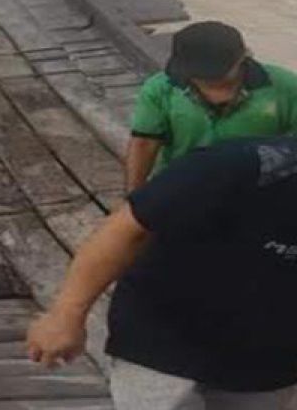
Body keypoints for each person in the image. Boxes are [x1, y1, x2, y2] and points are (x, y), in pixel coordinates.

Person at [26, 136, 297, 409]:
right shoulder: (246, 164)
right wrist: (66, 314)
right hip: (165, 333)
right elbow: (126, 229)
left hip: (269, 357)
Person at [124, 20, 297, 191]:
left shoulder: (286, 87)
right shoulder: (161, 88)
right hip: (181, 184)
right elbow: (144, 143)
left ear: (243, 56)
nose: (206, 80)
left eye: (214, 74)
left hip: (258, 186)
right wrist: (133, 196)